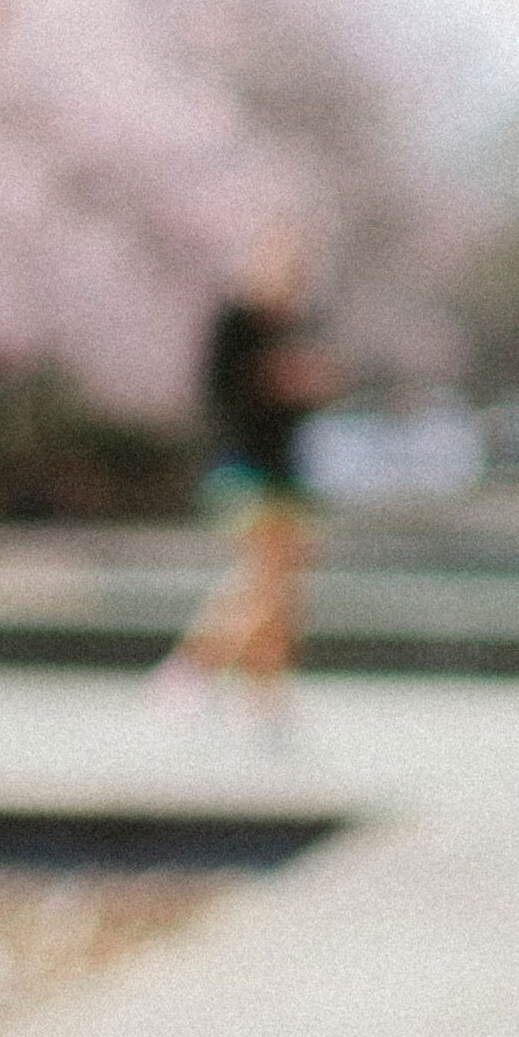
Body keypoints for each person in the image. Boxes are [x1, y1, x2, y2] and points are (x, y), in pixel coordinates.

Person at [154, 227, 338, 730]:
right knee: (266, 583)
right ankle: (192, 667)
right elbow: (220, 392)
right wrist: (273, 380)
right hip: (243, 467)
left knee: (282, 589)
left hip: (288, 472)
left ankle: (265, 694)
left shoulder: (298, 325)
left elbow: (304, 402)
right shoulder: (237, 322)